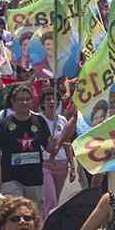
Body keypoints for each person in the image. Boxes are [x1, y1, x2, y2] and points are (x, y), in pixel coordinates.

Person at [0, 84, 53, 206]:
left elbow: (49, 149)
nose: (24, 102)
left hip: (34, 179)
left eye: (27, 99)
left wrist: (55, 142)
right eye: (20, 99)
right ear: (12, 101)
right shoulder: (4, 124)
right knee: (15, 212)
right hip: (11, 178)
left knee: (33, 215)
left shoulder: (39, 121)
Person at [37, 91, 75, 220]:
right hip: (45, 164)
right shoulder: (38, 119)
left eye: (54, 99)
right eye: (48, 99)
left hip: (62, 165)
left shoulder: (62, 120)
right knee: (50, 200)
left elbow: (67, 143)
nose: (52, 102)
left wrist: (72, 167)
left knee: (55, 202)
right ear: (42, 103)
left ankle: (47, 225)